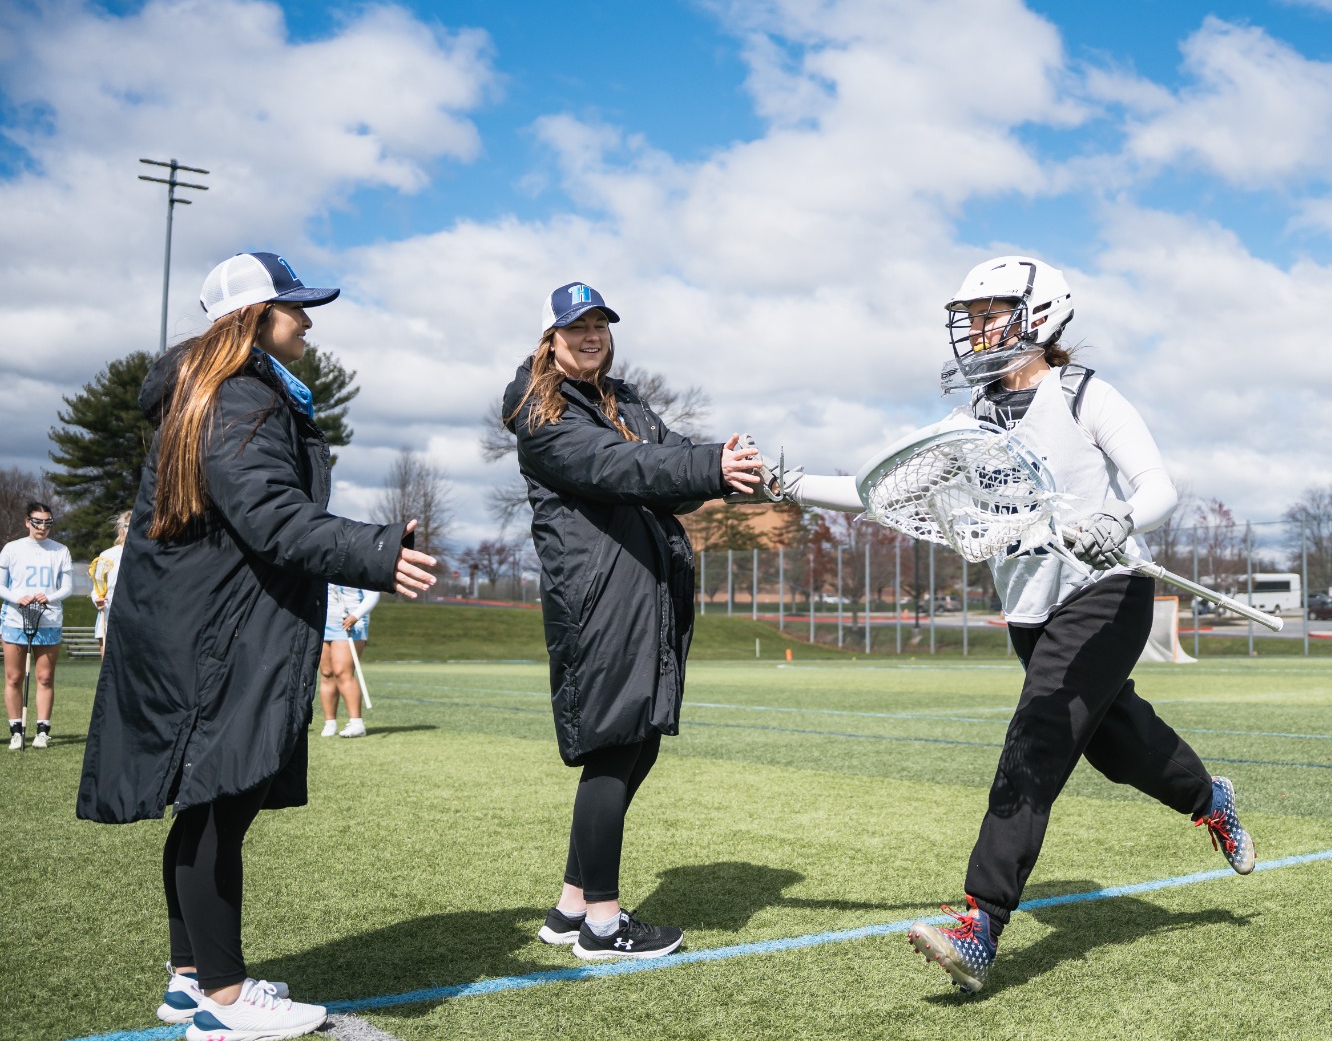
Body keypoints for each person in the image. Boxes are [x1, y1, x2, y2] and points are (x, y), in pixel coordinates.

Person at [783, 256, 1255, 994]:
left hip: (1108, 591)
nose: (974, 330)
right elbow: (876, 488)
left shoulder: (1084, 394)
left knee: (1036, 736)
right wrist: (788, 482)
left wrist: (1120, 517)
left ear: (1041, 314)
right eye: (969, 318)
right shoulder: (969, 420)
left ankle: (981, 923)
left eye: (988, 313)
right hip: (1031, 608)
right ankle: (1208, 798)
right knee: (1118, 745)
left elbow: (1156, 483)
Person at [77, 252, 438, 1041]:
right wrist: (375, 551)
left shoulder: (220, 388)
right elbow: (270, 511)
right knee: (220, 802)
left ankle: (190, 978)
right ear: (251, 317)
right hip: (217, 629)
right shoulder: (238, 394)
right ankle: (225, 994)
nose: (307, 320)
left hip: (198, 622)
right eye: (294, 307)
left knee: (210, 803)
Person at [505, 282, 762, 961]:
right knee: (615, 747)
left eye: (599, 324)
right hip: (599, 599)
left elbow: (668, 464)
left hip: (644, 590)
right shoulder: (540, 409)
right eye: (576, 326)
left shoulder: (627, 402)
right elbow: (616, 466)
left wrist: (725, 465)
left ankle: (570, 906)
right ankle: (603, 923)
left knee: (637, 741)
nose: (591, 335)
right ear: (549, 340)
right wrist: (706, 464)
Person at [0, 501, 72, 750]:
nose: (42, 527)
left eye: (47, 522)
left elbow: (68, 587)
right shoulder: (11, 548)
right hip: (16, 619)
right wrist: (17, 597)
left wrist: (49, 597)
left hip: (49, 620)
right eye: (37, 522)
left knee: (45, 677)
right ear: (27, 522)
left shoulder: (60, 551)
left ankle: (42, 730)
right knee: (14, 676)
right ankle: (16, 731)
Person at [319, 582, 380, 737]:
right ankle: (330, 723)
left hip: (351, 624)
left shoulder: (359, 564)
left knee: (342, 671)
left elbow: (373, 594)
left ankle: (356, 723)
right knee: (326, 673)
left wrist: (356, 615)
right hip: (323, 623)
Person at [89, 510, 133, 661]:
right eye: (127, 526)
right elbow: (97, 589)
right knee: (109, 671)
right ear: (121, 528)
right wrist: (97, 600)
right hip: (109, 618)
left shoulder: (149, 555)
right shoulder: (106, 556)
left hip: (137, 619)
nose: (131, 530)